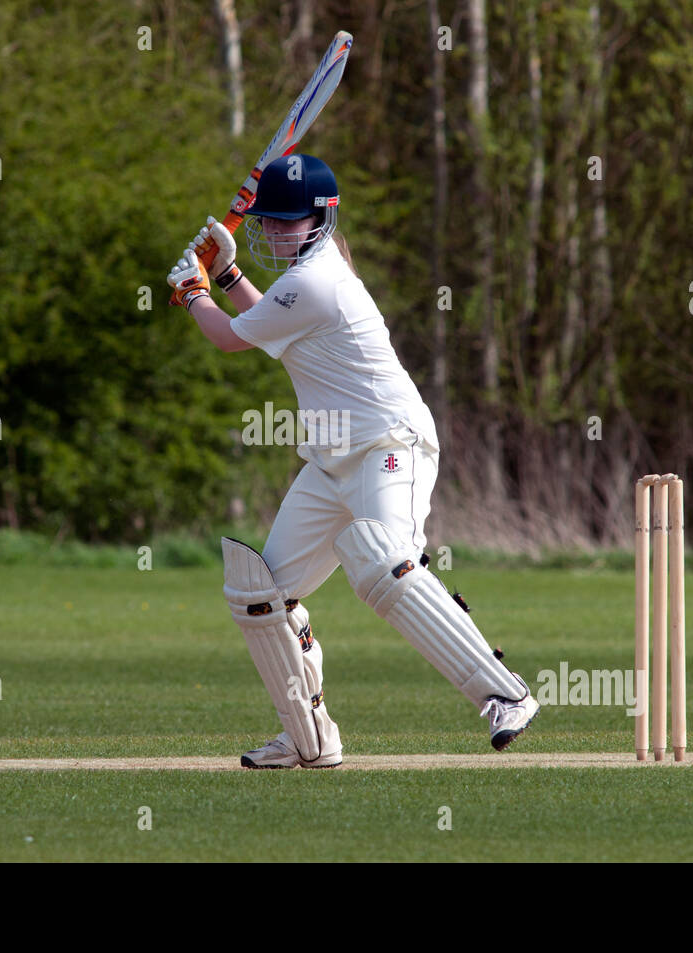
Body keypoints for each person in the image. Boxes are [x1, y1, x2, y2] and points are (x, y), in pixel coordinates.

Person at [166, 154, 539, 768]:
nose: (279, 232)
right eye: (272, 222)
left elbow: (230, 338)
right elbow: (267, 329)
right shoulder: (305, 280)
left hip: (389, 443)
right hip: (331, 460)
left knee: (381, 559)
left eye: (291, 221)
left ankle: (505, 695)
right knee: (260, 595)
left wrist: (194, 292)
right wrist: (228, 278)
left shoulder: (317, 278)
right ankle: (310, 739)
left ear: (323, 218)